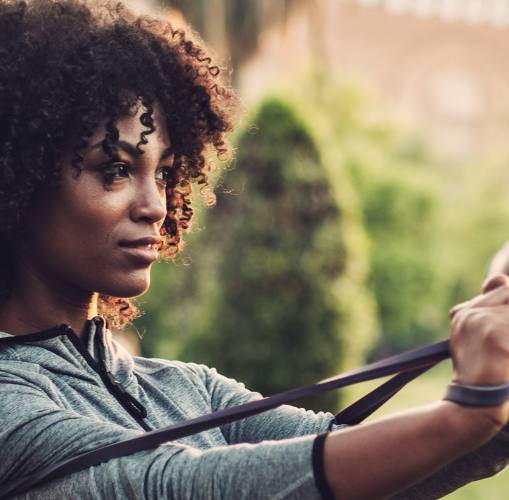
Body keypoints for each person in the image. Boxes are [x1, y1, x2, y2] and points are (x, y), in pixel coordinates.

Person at [2, 1, 509, 499]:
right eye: (115, 169)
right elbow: (181, 484)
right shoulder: (11, 399)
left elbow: (350, 460)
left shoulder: (187, 388)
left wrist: (498, 404)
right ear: (18, 183)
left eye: (162, 172)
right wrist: (468, 410)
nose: (156, 204)